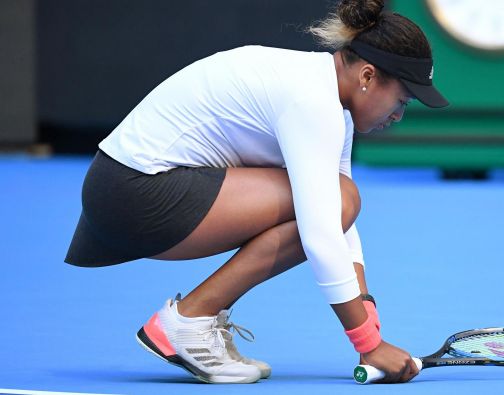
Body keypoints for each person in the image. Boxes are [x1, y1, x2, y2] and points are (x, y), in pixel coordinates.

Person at [65, 0, 448, 384]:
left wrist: (366, 306)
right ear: (367, 76)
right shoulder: (312, 103)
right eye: (402, 100)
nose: (398, 115)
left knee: (339, 198)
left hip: (120, 188)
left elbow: (340, 221)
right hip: (134, 192)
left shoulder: (327, 95)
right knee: (337, 201)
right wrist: (368, 343)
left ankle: (192, 319)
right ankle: (189, 319)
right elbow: (322, 231)